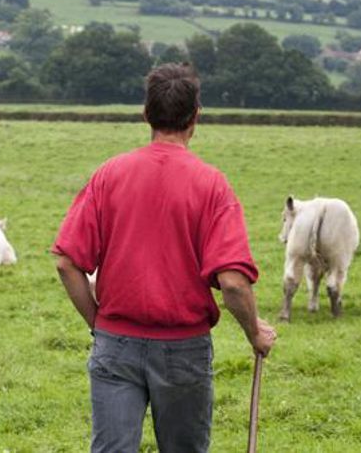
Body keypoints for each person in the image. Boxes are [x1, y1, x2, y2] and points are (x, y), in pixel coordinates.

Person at [53, 62, 277, 452]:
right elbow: (234, 282)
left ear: (145, 114)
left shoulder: (109, 174)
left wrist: (99, 324)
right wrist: (254, 331)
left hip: (115, 345)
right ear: (195, 118)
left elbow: (66, 262)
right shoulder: (212, 185)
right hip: (183, 350)